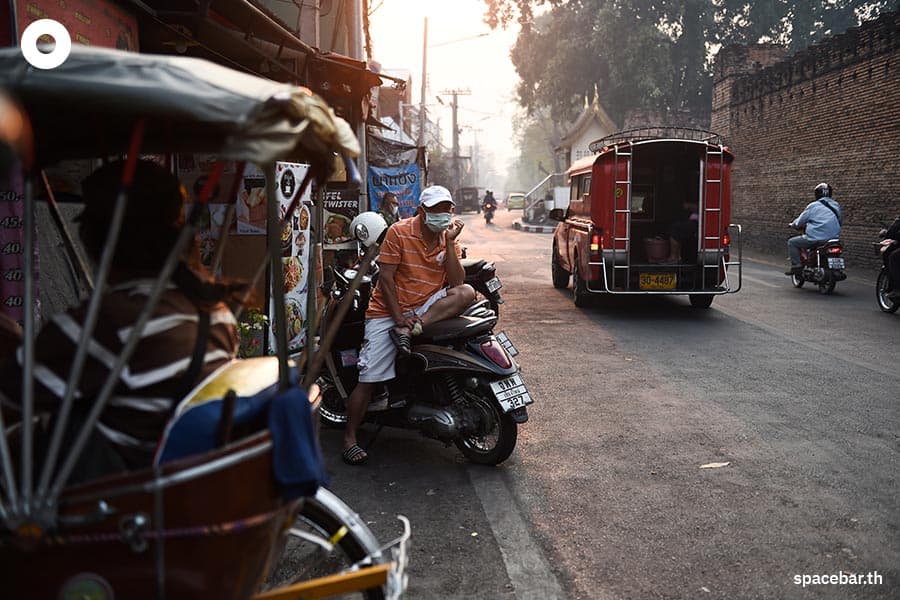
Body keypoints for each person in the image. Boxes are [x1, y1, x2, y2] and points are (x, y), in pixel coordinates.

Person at [0, 160, 243, 476]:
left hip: (107, 495)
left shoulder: (110, 322)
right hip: (178, 474)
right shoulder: (216, 313)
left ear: (98, 238)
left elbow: (13, 395)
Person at [341, 185, 475, 465]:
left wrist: (450, 243)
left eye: (447, 209)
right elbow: (386, 279)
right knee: (369, 377)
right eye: (436, 210)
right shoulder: (399, 232)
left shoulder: (447, 236)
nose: (443, 215)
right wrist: (399, 316)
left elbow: (457, 280)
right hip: (387, 311)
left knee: (467, 293)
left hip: (425, 307)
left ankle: (413, 329)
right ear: (421, 211)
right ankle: (350, 438)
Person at [785, 182, 842, 275]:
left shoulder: (813, 206)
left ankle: (797, 267)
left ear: (817, 194)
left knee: (792, 242)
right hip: (833, 240)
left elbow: (800, 221)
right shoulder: (836, 205)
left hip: (815, 238)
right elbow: (840, 221)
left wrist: (793, 224)